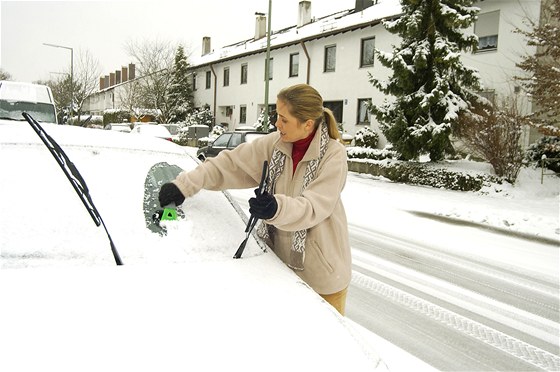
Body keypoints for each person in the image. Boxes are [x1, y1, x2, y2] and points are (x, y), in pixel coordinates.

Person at [158, 84, 351, 315]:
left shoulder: (333, 155)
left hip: (322, 278)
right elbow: (229, 163)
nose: (276, 124)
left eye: (283, 119)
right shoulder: (274, 145)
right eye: (276, 116)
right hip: (276, 269)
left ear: (307, 124)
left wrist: (275, 208)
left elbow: (314, 207)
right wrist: (185, 185)